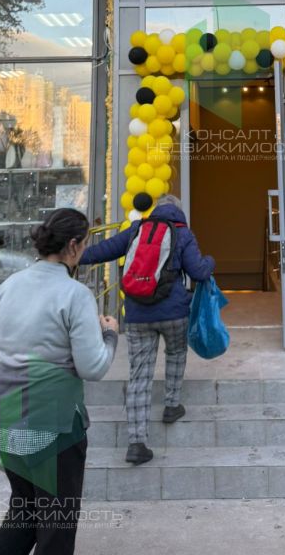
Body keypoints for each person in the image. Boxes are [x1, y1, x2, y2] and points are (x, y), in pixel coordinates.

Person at [0, 208, 118, 555]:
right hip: (53, 425)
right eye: (85, 244)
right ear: (72, 246)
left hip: (3, 417)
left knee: (24, 511)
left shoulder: (8, 286)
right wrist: (110, 335)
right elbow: (93, 367)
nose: (84, 250)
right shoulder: (75, 294)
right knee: (56, 526)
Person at [79, 193, 214, 466]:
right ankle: (172, 405)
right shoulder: (182, 233)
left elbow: (103, 250)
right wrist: (211, 261)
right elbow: (199, 272)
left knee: (139, 375)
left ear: (156, 210)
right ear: (179, 211)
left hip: (137, 315)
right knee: (176, 353)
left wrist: (71, 256)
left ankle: (136, 443)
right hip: (174, 313)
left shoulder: (136, 229)